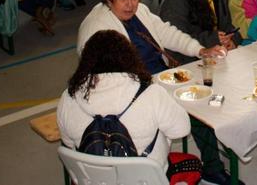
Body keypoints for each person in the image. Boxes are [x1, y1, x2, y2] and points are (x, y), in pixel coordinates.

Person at [76, 0, 236, 184]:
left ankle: (212, 163)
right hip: (132, 90)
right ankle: (213, 167)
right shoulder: (96, 27)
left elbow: (167, 33)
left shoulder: (140, 12)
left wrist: (200, 50)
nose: (130, 4)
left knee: (207, 96)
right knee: (196, 113)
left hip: (161, 78)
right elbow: (100, 75)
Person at [57, 30, 191, 171]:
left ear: (86, 61)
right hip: (145, 179)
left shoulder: (68, 97)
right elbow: (181, 130)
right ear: (130, 57)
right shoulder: (151, 93)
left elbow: (68, 142)